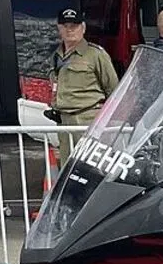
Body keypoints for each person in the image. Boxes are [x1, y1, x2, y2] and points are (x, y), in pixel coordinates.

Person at [47, 8, 119, 163]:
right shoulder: (56, 56)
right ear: (59, 28)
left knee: (91, 164)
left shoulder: (96, 54)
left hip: (88, 119)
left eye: (75, 25)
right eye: (65, 26)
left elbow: (113, 90)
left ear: (83, 28)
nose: (70, 29)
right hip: (63, 121)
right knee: (68, 164)